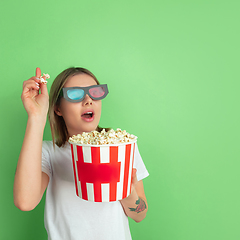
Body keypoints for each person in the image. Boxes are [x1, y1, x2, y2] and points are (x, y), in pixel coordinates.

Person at [13, 67, 149, 240]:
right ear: (58, 109)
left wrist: (127, 191)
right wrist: (36, 116)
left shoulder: (123, 146)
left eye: (95, 92)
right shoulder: (49, 152)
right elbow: (25, 202)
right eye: (75, 94)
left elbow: (140, 214)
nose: (88, 100)